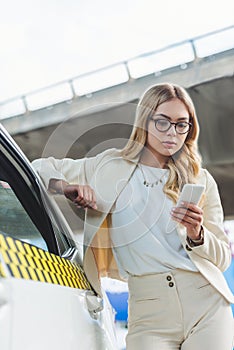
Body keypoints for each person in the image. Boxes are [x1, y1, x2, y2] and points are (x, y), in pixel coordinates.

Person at [32, 82, 234, 349]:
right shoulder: (109, 166)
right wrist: (65, 187)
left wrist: (198, 234)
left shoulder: (201, 180)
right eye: (163, 122)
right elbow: (36, 171)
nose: (172, 133)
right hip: (148, 310)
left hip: (206, 305)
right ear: (145, 121)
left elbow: (220, 259)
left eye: (181, 124)